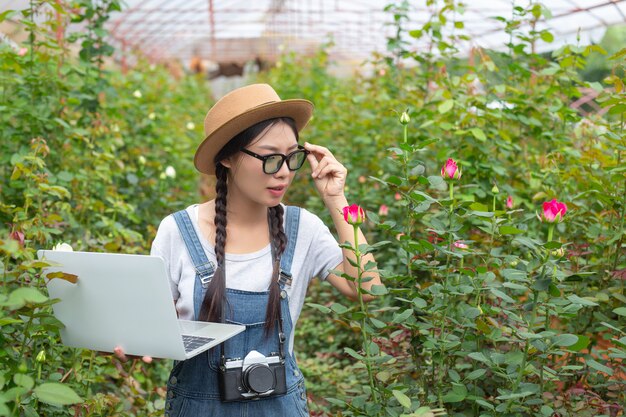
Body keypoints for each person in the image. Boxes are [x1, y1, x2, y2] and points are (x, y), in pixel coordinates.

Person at [116, 83, 381, 416]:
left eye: (291, 157)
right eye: (270, 158)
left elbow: (368, 288)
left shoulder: (303, 229)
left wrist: (335, 198)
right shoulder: (179, 232)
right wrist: (137, 342)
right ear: (227, 157)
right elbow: (154, 323)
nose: (284, 172)